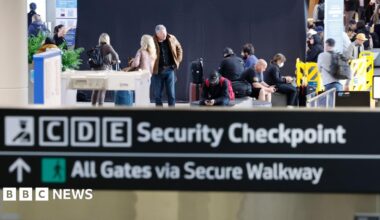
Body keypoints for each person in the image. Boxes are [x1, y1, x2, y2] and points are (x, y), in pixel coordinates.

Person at [115, 35, 157, 106]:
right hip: (148, 76)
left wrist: (132, 61)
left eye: (141, 40)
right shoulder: (153, 53)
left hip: (140, 76)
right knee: (145, 96)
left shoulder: (141, 51)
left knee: (138, 97)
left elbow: (135, 64)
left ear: (143, 42)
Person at [152, 24, 183, 107]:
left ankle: (172, 112)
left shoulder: (171, 38)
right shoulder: (151, 41)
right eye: (162, 34)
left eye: (165, 33)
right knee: (157, 95)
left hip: (170, 70)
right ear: (157, 34)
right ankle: (159, 113)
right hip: (157, 71)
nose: (165, 35)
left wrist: (177, 61)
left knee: (171, 94)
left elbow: (179, 48)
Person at [91, 33, 119, 106]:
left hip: (95, 70)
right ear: (107, 39)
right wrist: (116, 61)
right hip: (104, 70)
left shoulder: (97, 47)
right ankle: (100, 107)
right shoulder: (107, 46)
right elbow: (116, 55)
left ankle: (93, 106)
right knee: (102, 90)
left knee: (95, 90)